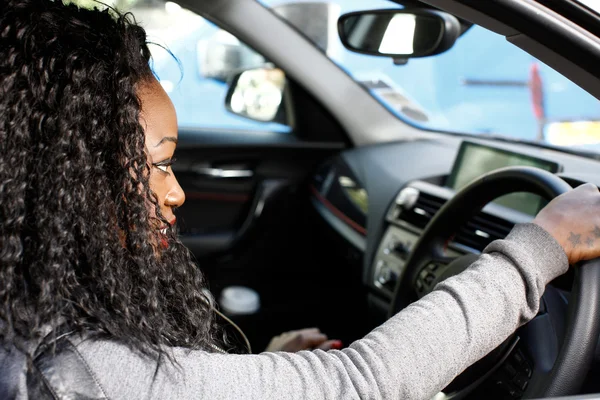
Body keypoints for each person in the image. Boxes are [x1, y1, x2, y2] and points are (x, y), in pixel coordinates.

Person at [1, 1, 600, 399]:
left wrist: (259, 365)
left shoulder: (29, 319)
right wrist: (542, 247)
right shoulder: (73, 367)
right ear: (63, 182)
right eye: (157, 165)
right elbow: (357, 383)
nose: (176, 190)